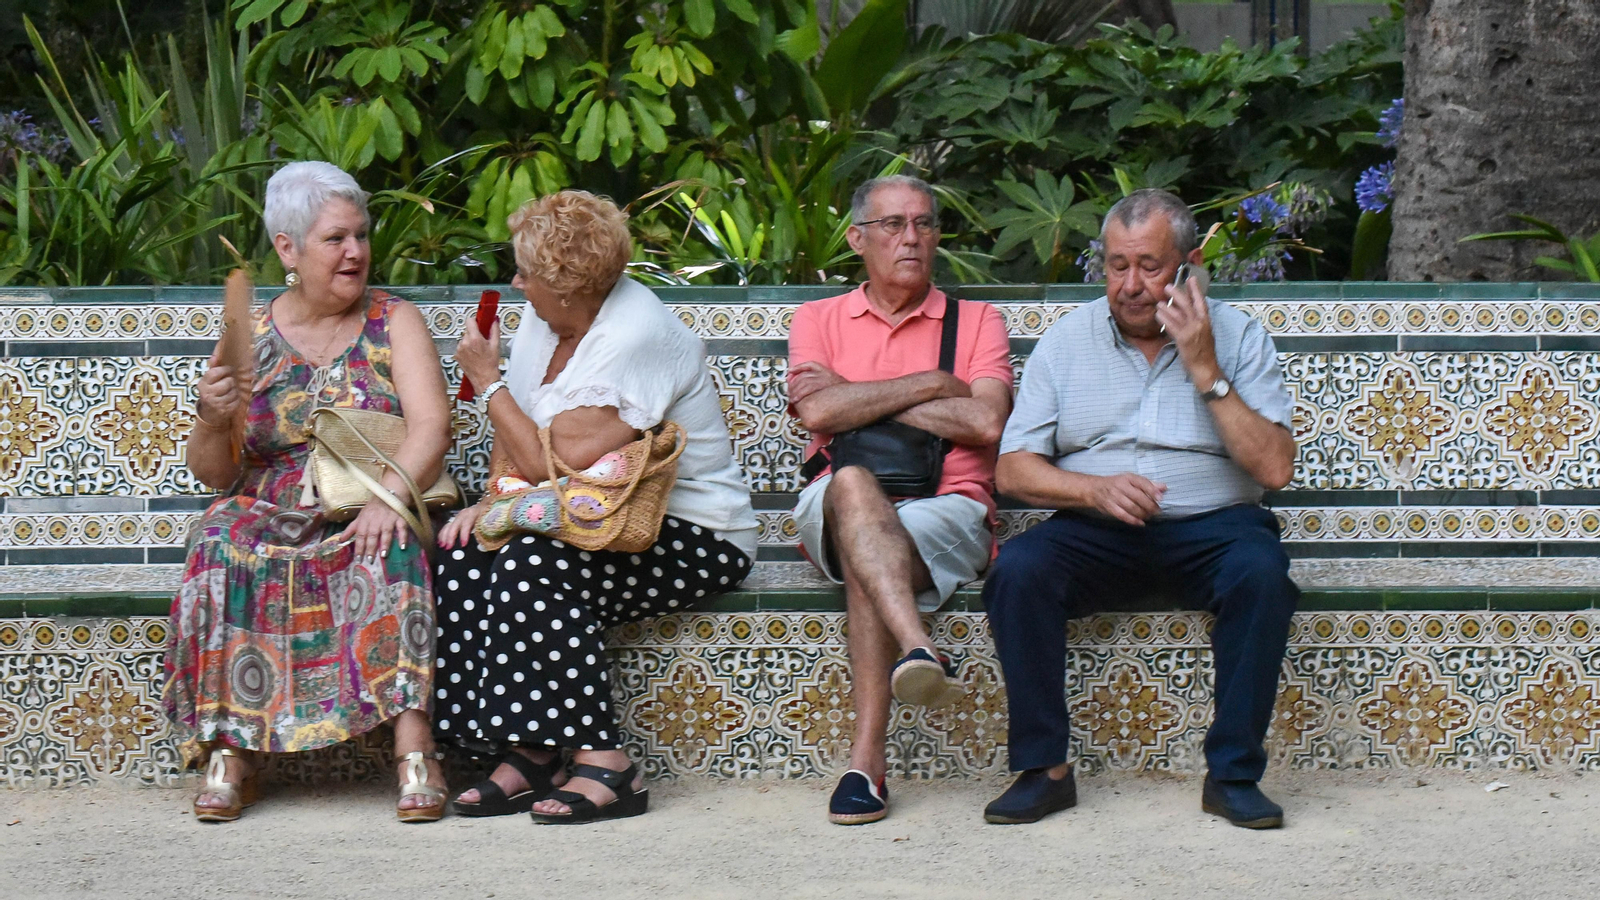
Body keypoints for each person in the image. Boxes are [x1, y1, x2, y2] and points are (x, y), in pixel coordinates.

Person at [434, 190, 757, 823]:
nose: (515, 282)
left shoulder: (634, 336)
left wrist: (489, 379)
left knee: (534, 562)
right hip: (583, 516)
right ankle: (528, 753)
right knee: (461, 555)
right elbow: (522, 452)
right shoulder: (543, 317)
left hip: (690, 532)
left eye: (527, 273)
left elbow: (549, 463)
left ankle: (608, 764)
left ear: (567, 286)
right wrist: (492, 507)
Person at [981, 188, 1298, 828]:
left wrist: (1204, 366)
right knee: (1018, 571)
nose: (1129, 285)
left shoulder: (1237, 337)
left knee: (1262, 576)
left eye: (1148, 266)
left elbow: (1274, 469)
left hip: (1217, 529)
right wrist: (1089, 490)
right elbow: (1012, 468)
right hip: (1097, 527)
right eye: (1116, 265)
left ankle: (1233, 775)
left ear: (1186, 265)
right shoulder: (1068, 341)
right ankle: (1044, 770)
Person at [164, 160, 453, 823]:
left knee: (394, 540)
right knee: (218, 535)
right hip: (272, 505)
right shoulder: (252, 334)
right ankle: (234, 751)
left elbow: (432, 425)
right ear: (288, 249)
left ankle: (416, 747)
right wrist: (211, 415)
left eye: (360, 235)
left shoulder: (393, 320)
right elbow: (214, 472)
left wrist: (388, 498)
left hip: (365, 497)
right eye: (335, 239)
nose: (355, 251)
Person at [787, 175, 1014, 826]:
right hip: (833, 504)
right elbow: (818, 408)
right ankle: (918, 646)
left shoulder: (977, 322)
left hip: (949, 510)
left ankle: (866, 763)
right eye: (892, 225)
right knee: (854, 486)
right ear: (858, 239)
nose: (911, 237)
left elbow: (985, 426)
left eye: (924, 224)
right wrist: (935, 383)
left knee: (869, 545)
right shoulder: (818, 319)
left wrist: (860, 395)